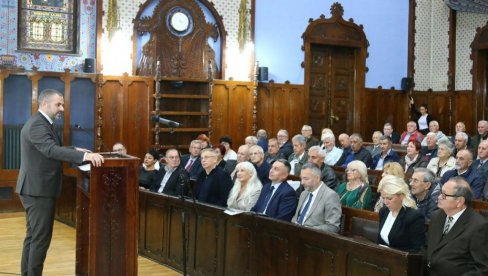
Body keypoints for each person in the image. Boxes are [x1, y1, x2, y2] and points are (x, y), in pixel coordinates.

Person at [16, 89, 104, 276]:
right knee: (40, 239)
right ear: (44, 104)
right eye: (58, 104)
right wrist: (85, 155)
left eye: (62, 104)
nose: (62, 108)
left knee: (33, 237)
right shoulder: (37, 125)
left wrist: (73, 148)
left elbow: (51, 148)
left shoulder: (41, 122)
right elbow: (50, 150)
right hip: (38, 190)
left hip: (35, 189)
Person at [426, 177, 488, 275]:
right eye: (440, 193)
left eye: (444, 195)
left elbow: (482, 268)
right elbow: (429, 247)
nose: (439, 197)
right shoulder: (437, 216)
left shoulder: (478, 226)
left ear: (459, 201)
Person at [377, 175, 426, 252]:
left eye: (389, 198)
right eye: (383, 198)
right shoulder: (383, 211)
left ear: (402, 196)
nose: (385, 202)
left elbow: (417, 249)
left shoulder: (413, 217)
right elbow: (379, 240)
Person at [291, 163, 342, 233]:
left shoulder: (330, 196)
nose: (302, 182)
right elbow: (296, 217)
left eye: (306, 179)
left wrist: (307, 230)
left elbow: (333, 226)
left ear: (317, 178)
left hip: (313, 237)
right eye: (301, 178)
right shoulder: (303, 193)